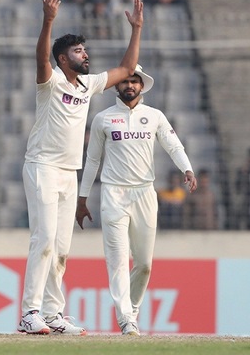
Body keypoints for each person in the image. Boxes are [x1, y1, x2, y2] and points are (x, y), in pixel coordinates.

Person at [18, 0, 144, 335]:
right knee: (43, 240)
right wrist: (48, 21)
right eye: (78, 51)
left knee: (61, 248)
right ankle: (29, 312)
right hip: (42, 166)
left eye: (84, 50)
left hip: (68, 173)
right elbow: (41, 57)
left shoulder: (87, 85)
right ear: (62, 58)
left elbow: (127, 68)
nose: (85, 54)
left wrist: (136, 29)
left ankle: (53, 313)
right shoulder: (51, 81)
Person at [75, 64, 197, 336]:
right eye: (125, 82)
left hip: (144, 193)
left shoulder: (154, 116)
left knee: (144, 263)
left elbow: (173, 144)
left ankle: (132, 309)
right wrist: (82, 198)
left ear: (142, 86)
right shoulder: (103, 119)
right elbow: (92, 160)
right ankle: (126, 319)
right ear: (117, 86)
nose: (129, 86)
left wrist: (186, 169)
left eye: (134, 82)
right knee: (117, 261)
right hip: (113, 194)